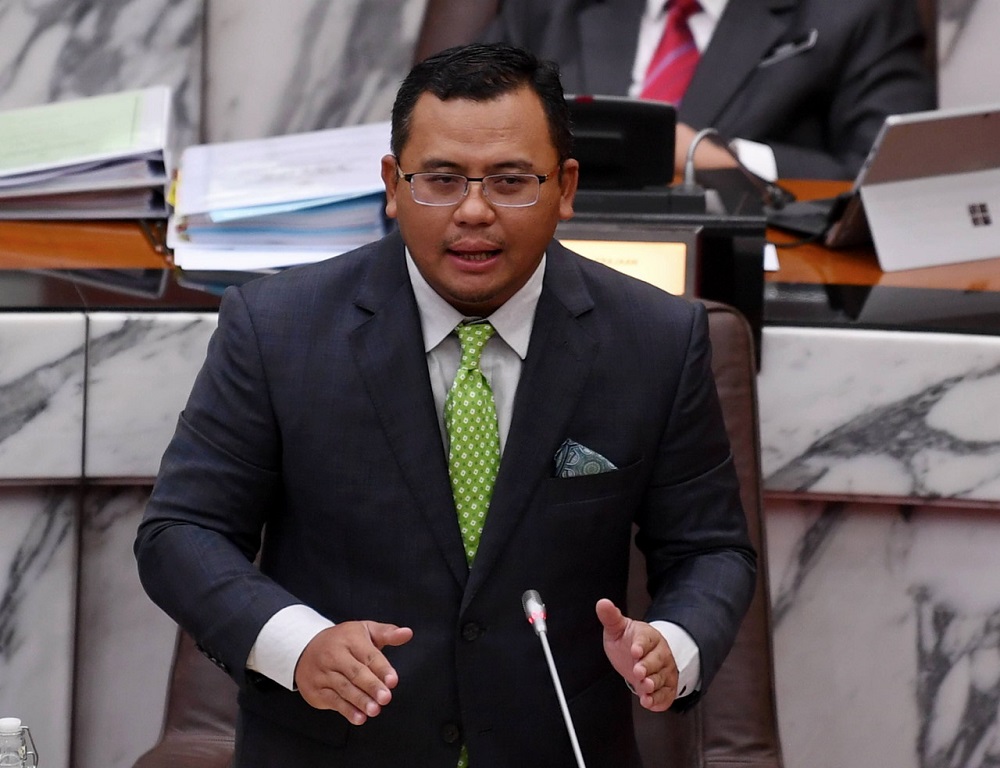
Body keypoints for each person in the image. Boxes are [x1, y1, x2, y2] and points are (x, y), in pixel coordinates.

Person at [135, 42, 756, 768]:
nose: (473, 211)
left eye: (511, 181)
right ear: (392, 185)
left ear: (566, 187)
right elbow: (181, 532)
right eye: (440, 179)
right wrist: (298, 644)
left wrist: (670, 645)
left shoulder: (655, 339)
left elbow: (712, 550)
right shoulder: (276, 329)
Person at [419, 0, 936, 180]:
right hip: (552, 263)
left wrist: (717, 159)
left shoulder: (855, 12)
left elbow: (893, 177)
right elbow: (455, 122)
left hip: (743, 288)